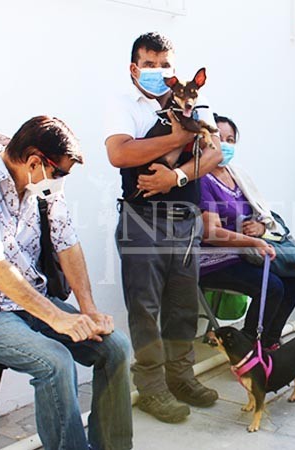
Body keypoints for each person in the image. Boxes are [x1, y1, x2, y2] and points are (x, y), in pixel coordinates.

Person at [0, 117, 133, 450]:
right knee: (55, 361)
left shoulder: (43, 183)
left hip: (26, 302)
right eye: (60, 173)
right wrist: (56, 317)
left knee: (115, 348)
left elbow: (67, 243)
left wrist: (89, 310)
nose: (61, 181)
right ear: (34, 161)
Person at [104, 32, 223, 424]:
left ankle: (181, 378)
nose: (157, 70)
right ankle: (152, 388)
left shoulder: (194, 102)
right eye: (149, 64)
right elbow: (120, 153)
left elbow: (215, 153)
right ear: (134, 68)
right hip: (142, 219)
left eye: (164, 64)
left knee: (183, 306)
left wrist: (177, 177)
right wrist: (177, 137)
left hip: (185, 219)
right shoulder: (123, 105)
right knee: (145, 308)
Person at [198, 115, 295, 349]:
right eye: (219, 138)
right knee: (272, 286)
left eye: (230, 140)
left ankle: (268, 342)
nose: (225, 145)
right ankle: (247, 347)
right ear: (205, 140)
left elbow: (261, 213)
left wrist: (260, 227)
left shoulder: (237, 176)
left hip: (245, 254)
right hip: (214, 259)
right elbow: (211, 233)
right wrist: (253, 242)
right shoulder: (202, 179)